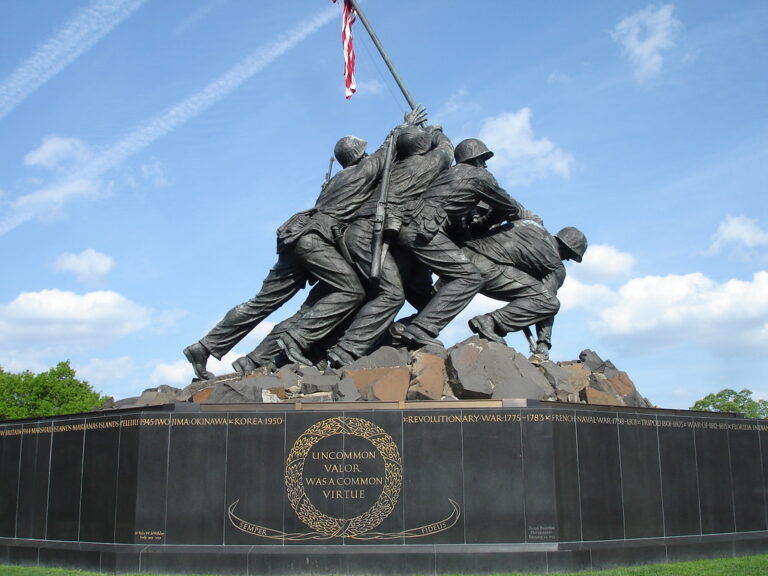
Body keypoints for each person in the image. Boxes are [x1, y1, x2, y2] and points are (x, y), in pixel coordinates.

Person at [184, 109, 427, 380]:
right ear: (359, 154)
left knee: (261, 303)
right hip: (315, 240)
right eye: (364, 152)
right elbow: (386, 152)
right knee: (351, 291)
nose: (369, 155)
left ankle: (206, 346)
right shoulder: (360, 172)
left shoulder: (335, 180)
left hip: (296, 236)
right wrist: (403, 127)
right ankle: (295, 339)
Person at [323, 122, 454, 366]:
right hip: (366, 233)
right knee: (392, 294)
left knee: (413, 297)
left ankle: (391, 335)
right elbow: (446, 151)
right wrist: (437, 131)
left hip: (366, 233)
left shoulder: (388, 170)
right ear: (423, 146)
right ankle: (345, 350)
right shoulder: (426, 164)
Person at [390, 138, 535, 348]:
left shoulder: (448, 175)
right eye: (482, 159)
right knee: (470, 277)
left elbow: (458, 225)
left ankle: (395, 333)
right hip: (423, 229)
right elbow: (509, 207)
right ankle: (420, 329)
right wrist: (522, 214)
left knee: (423, 296)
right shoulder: (479, 176)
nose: (485, 165)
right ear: (474, 159)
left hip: (405, 226)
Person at [464, 222, 587, 361]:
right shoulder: (556, 265)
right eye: (571, 255)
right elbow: (545, 300)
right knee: (550, 302)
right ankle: (490, 322)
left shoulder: (531, 226)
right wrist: (543, 343)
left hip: (461, 255)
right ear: (568, 249)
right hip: (486, 268)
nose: (568, 259)